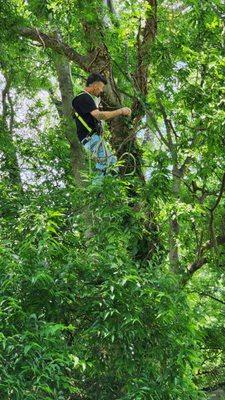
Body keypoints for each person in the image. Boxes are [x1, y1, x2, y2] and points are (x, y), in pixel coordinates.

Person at [72, 73, 131, 174]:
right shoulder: (83, 97)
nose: (101, 90)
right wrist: (121, 111)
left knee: (112, 163)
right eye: (101, 87)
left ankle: (105, 187)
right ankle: (97, 188)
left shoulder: (86, 99)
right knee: (106, 165)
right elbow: (99, 115)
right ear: (94, 85)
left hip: (92, 138)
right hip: (90, 138)